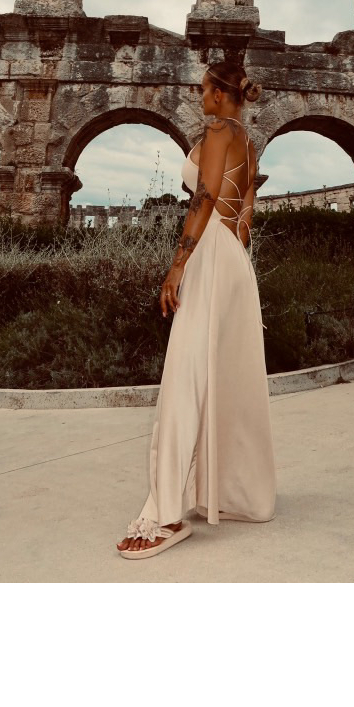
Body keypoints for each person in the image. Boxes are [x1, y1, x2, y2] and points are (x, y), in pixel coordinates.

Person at [116, 60, 277, 558]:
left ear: (220, 94)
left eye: (203, 89)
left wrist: (178, 266)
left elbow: (203, 199)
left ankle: (166, 514)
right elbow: (245, 213)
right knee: (226, 376)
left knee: (185, 377)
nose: (199, 96)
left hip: (209, 254)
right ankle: (235, 494)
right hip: (235, 261)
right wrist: (231, 259)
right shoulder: (248, 143)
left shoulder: (218, 131)